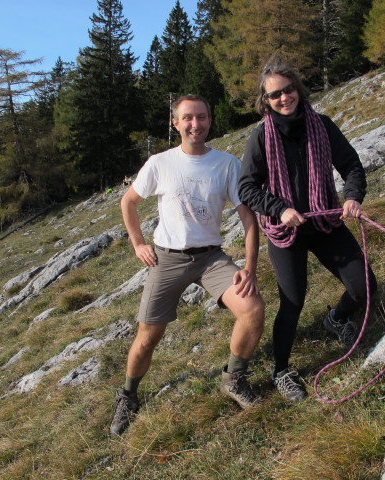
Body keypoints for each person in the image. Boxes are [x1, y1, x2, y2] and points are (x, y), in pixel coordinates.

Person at [110, 94, 265, 436]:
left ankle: (233, 378)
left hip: (211, 258)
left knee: (252, 309)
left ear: (210, 120)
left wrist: (249, 266)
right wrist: (138, 244)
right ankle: (128, 396)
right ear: (176, 123)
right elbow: (129, 201)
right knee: (148, 337)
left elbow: (248, 218)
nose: (196, 124)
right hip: (167, 259)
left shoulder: (226, 164)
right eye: (188, 118)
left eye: (202, 117)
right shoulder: (160, 163)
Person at [238, 58, 377, 402]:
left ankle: (337, 318)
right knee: (293, 301)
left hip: (324, 223)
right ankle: (281, 369)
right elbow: (247, 187)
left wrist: (353, 196)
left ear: (298, 88)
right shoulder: (261, 137)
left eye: (288, 90)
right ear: (265, 102)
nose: (284, 98)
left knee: (365, 286)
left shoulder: (323, 125)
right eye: (275, 95)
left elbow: (351, 165)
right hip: (286, 234)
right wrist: (279, 209)